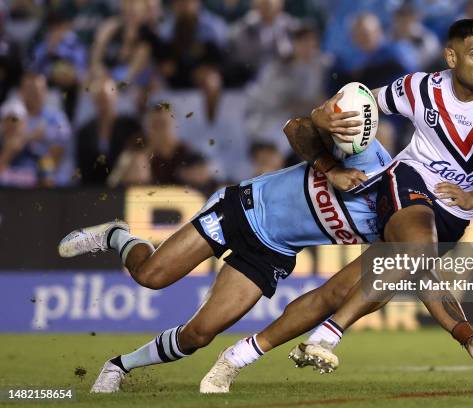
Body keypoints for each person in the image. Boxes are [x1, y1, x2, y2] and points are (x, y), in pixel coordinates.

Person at [201, 18, 473, 391]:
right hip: (409, 182)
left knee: (342, 291)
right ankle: (328, 334)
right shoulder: (419, 88)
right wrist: (324, 115)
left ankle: (238, 356)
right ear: (451, 57)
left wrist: (466, 335)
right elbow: (358, 104)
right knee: (416, 251)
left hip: (455, 213)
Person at [57, 115, 388, 393]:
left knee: (198, 335)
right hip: (242, 208)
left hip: (272, 253)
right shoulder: (366, 152)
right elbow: (294, 127)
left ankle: (120, 365)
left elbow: (385, 280)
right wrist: (330, 169)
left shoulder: (399, 227)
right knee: (150, 276)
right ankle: (117, 235)